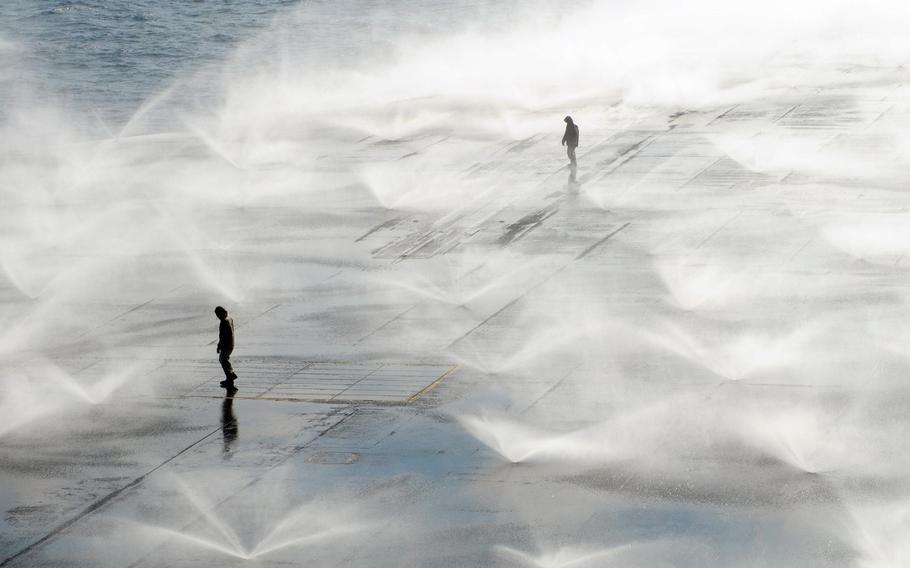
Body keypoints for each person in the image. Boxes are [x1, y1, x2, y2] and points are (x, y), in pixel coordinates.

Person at [214, 306, 237, 391]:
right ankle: (230, 376)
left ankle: (230, 377)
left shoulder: (223, 322)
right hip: (231, 344)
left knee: (223, 360)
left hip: (226, 345)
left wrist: (219, 346)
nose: (217, 316)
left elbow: (222, 336)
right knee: (223, 360)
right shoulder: (229, 318)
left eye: (217, 314)